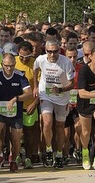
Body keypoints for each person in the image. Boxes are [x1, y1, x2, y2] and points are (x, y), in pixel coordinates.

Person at [0, 54, 32, 172]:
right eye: (6, 66)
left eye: (11, 66)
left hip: (15, 111)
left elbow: (28, 93)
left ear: (15, 65)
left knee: (16, 138)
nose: (9, 68)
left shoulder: (20, 75)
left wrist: (15, 99)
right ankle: (0, 155)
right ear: (2, 64)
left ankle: (13, 160)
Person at [33, 40, 75, 169]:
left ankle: (59, 154)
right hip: (46, 94)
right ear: (45, 50)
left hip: (62, 96)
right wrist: (35, 86)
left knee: (59, 126)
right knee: (46, 122)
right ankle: (49, 149)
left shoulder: (66, 62)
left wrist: (61, 89)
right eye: (49, 51)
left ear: (59, 50)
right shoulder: (40, 59)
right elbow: (35, 69)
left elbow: (72, 83)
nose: (52, 54)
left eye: (55, 51)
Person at [15, 41, 41, 168]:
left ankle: (29, 158)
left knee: (29, 133)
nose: (24, 59)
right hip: (15, 104)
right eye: (21, 57)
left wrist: (35, 103)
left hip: (30, 104)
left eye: (27, 57)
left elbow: (41, 87)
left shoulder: (36, 65)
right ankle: (15, 155)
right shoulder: (12, 62)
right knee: (16, 133)